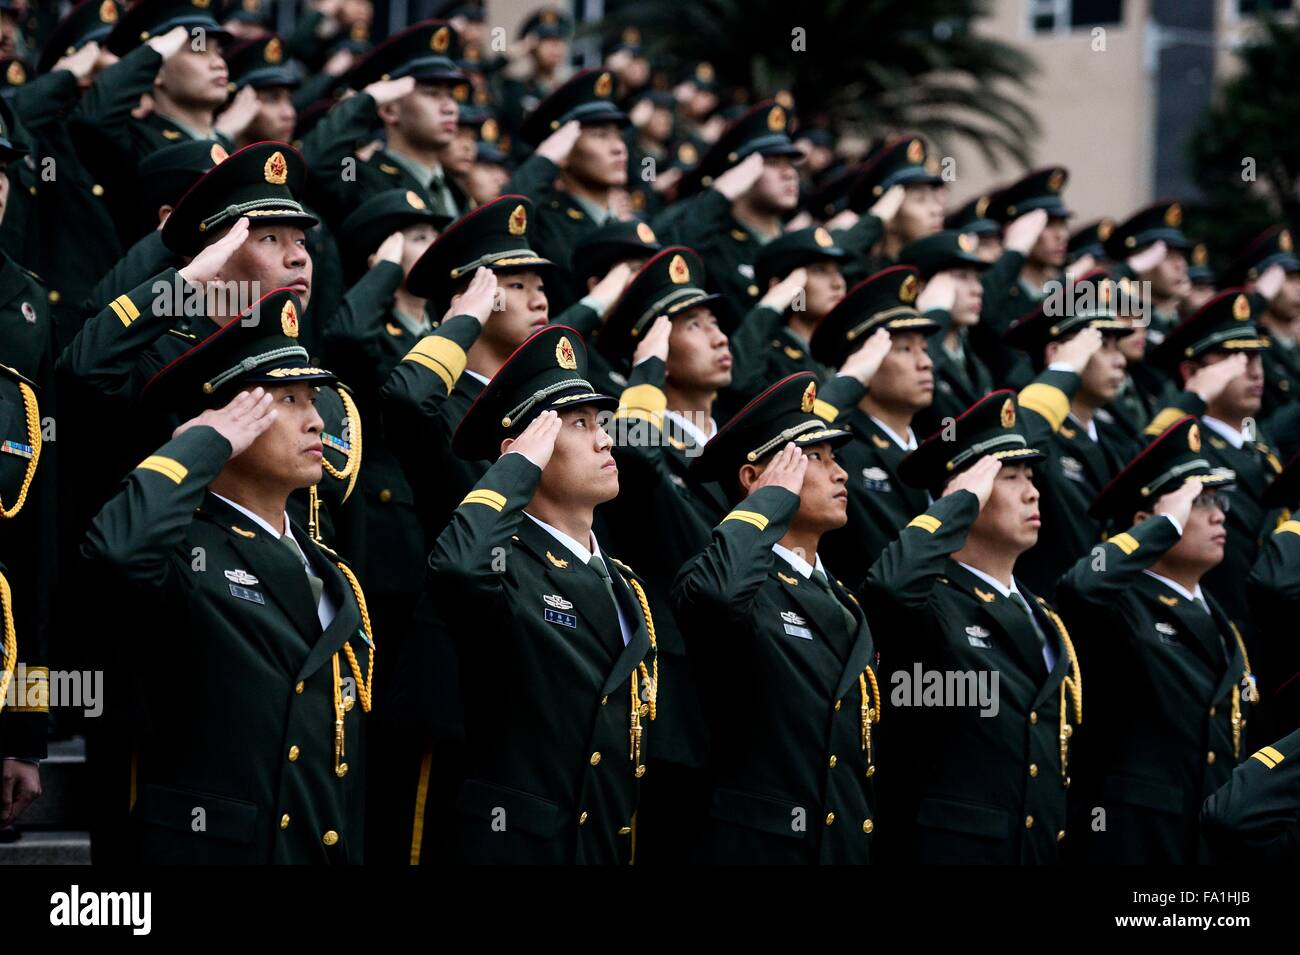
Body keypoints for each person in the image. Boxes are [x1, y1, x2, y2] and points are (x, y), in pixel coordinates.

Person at [83, 286, 374, 863]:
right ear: (229, 420)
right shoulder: (180, 548)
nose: (317, 420)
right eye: (287, 401)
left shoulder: (330, 570)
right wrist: (200, 445)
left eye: (312, 399)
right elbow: (116, 551)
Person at [422, 323, 658, 864]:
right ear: (526, 448)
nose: (605, 438)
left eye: (601, 423)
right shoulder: (501, 562)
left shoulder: (624, 583)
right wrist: (514, 470)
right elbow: (457, 568)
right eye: (578, 425)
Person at [864, 390, 1082, 863]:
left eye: (1030, 475)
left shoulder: (1044, 615)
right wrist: (956, 503)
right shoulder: (931, 599)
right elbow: (888, 588)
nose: (1033, 491)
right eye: (1008, 477)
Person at [671, 372, 880, 863]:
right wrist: (767, 503)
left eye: (836, 458)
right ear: (753, 479)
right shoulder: (726, 581)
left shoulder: (842, 599)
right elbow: (718, 596)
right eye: (814, 458)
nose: (841, 473)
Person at [1056, 415, 1254, 864]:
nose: (1219, 514)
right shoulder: (1120, 604)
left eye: (1216, 500)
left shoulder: (1223, 621)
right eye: (1198, 502)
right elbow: (1080, 586)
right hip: (1134, 841)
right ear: (1147, 521)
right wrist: (1163, 526)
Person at [1145, 289, 1284, 631]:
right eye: (1234, 358)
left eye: (1255, 357)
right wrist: (1195, 395)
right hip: (1223, 622)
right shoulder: (1183, 449)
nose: (1253, 371)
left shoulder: (1259, 444)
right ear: (1193, 371)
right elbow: (1144, 453)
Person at [657, 101, 802, 314]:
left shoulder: (794, 247)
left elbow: (801, 314)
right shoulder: (714, 243)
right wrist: (719, 194)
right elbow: (669, 249)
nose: (789, 173)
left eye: (790, 163)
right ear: (740, 174)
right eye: (772, 163)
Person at [508, 68, 629, 309]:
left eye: (618, 135)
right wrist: (545, 159)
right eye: (600, 135)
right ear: (563, 150)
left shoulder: (626, 225)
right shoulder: (547, 225)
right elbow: (507, 216)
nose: (618, 148)